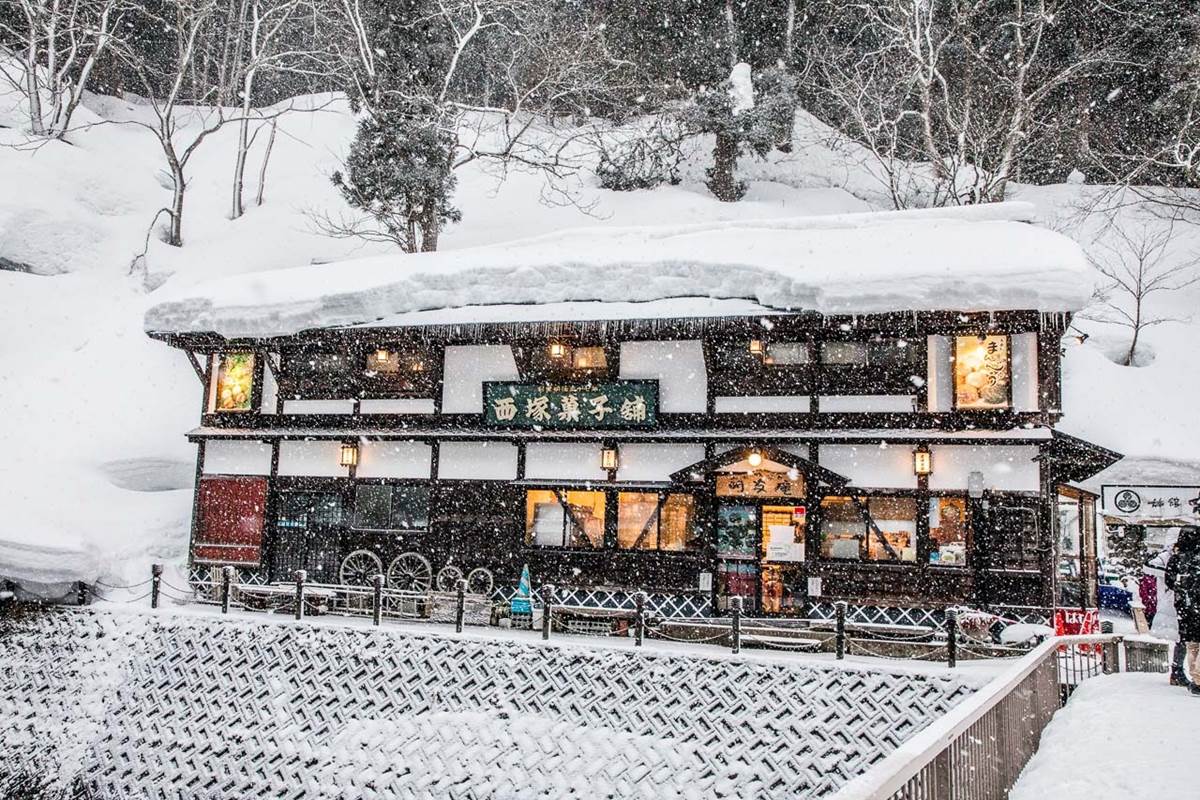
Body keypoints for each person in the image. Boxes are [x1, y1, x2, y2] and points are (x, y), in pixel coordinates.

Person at [1171, 526, 1200, 694]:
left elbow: (1170, 579)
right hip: (1193, 604)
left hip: (1185, 607)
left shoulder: (1178, 557)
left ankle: (1195, 678)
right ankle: (1198, 678)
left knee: (1192, 644)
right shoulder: (1195, 556)